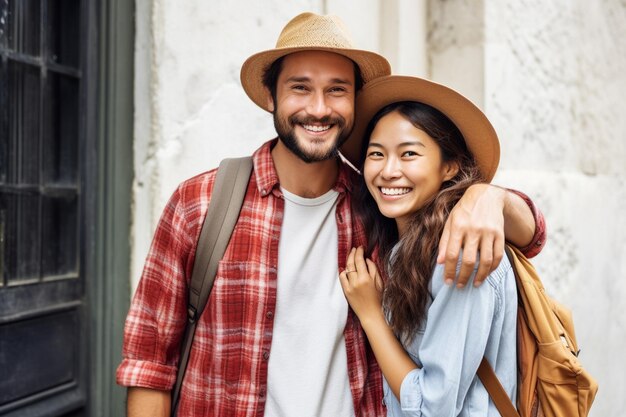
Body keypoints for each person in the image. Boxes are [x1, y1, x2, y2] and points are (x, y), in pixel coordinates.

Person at [116, 13, 545, 417]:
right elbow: (149, 362)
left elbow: (531, 237)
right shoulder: (200, 202)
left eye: (337, 89)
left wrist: (489, 197)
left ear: (354, 101)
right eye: (300, 88)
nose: (319, 108)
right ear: (272, 97)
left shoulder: (380, 205)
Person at [339, 75, 522, 416]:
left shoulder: (458, 252)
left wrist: (371, 315)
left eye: (409, 154)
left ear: (449, 166)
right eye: (376, 154)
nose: (389, 171)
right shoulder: (405, 247)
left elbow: (431, 409)